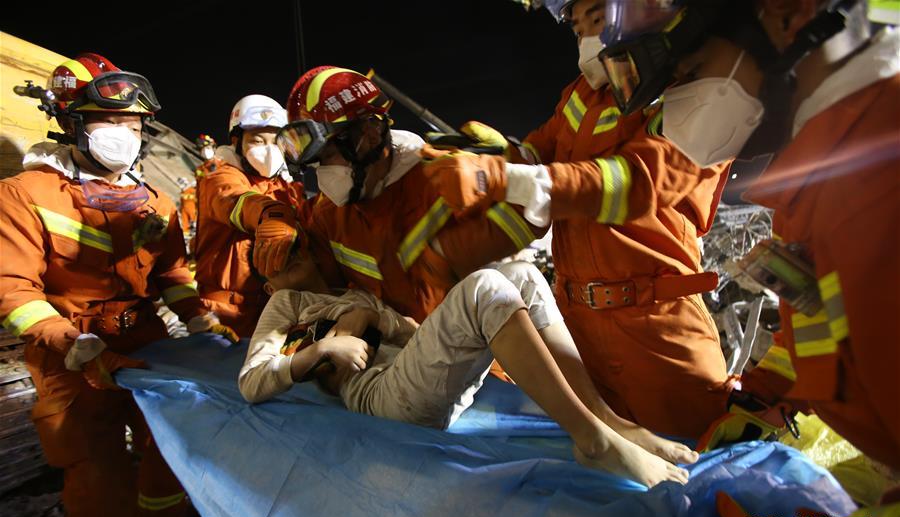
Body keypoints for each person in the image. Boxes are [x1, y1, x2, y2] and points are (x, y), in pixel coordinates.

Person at [599, 0, 898, 517]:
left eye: (692, 70)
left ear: (790, 15)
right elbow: (822, 330)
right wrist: (760, 401)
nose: (680, 109)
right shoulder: (833, 171)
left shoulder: (875, 184)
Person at [430, 0, 733, 439]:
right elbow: (541, 153)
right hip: (577, 324)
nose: (585, 36)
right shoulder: (583, 95)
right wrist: (499, 157)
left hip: (656, 330)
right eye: (576, 27)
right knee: (601, 470)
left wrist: (504, 178)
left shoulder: (700, 90)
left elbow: (632, 182)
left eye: (595, 18)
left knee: (691, 464)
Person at [0, 53, 236, 517]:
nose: (122, 137)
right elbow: (14, 291)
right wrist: (73, 344)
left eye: (132, 127)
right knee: (98, 480)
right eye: (108, 124)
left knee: (171, 440)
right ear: (73, 124)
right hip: (70, 350)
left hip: (144, 337)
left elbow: (172, 271)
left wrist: (196, 316)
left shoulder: (151, 199)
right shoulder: (25, 194)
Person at [240, 250, 699, 488]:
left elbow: (413, 331)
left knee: (519, 273)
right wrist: (323, 350)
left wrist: (374, 317)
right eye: (276, 262)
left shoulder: (352, 292)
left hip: (416, 378)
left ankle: (606, 420)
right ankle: (593, 441)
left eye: (294, 250)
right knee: (484, 288)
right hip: (378, 397)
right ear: (268, 283)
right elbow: (252, 382)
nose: (292, 262)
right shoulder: (286, 304)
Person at [279, 67, 548, 325]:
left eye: (328, 157)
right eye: (316, 165)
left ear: (370, 135)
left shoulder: (448, 178)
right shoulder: (329, 213)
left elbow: (534, 214)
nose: (324, 175)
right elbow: (318, 282)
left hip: (477, 350)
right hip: (396, 355)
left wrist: (510, 167)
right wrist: (272, 220)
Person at [193, 95, 312, 336]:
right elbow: (237, 201)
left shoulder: (285, 187)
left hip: (274, 306)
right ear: (236, 141)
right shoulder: (220, 178)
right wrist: (273, 214)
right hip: (227, 312)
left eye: (276, 141)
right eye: (257, 141)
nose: (268, 150)